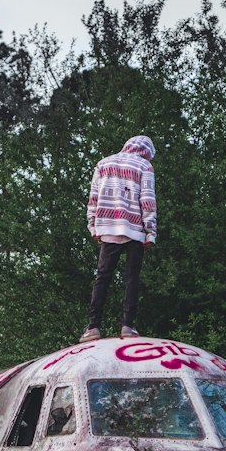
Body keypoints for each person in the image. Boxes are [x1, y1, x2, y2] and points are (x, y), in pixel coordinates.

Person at [80, 135, 157, 341]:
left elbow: (93, 198)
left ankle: (93, 327)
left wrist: (93, 226)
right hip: (134, 229)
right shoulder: (144, 167)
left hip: (109, 226)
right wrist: (150, 232)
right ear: (147, 152)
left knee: (102, 277)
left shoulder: (103, 163)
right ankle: (127, 326)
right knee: (131, 277)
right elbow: (147, 200)